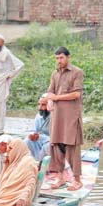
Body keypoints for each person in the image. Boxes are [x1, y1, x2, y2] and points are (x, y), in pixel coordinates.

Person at [40, 46, 84, 191]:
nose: (59, 60)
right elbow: (50, 91)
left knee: (72, 146)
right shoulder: (54, 74)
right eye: (57, 58)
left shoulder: (77, 72)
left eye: (61, 58)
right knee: (56, 146)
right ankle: (60, 177)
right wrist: (51, 100)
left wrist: (56, 98)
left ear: (68, 57)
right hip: (57, 116)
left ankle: (77, 180)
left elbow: (76, 94)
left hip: (71, 116)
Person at [0, 34, 24, 137]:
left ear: (2, 43)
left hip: (1, 84)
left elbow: (20, 65)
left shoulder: (7, 53)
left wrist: (9, 75)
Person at [0, 139, 37, 206]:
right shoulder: (15, 161)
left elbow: (30, 181)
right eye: (8, 148)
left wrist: (23, 197)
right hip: (4, 194)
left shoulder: (27, 162)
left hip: (14, 197)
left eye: (11, 148)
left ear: (19, 149)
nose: (8, 150)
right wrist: (6, 165)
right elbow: (3, 181)